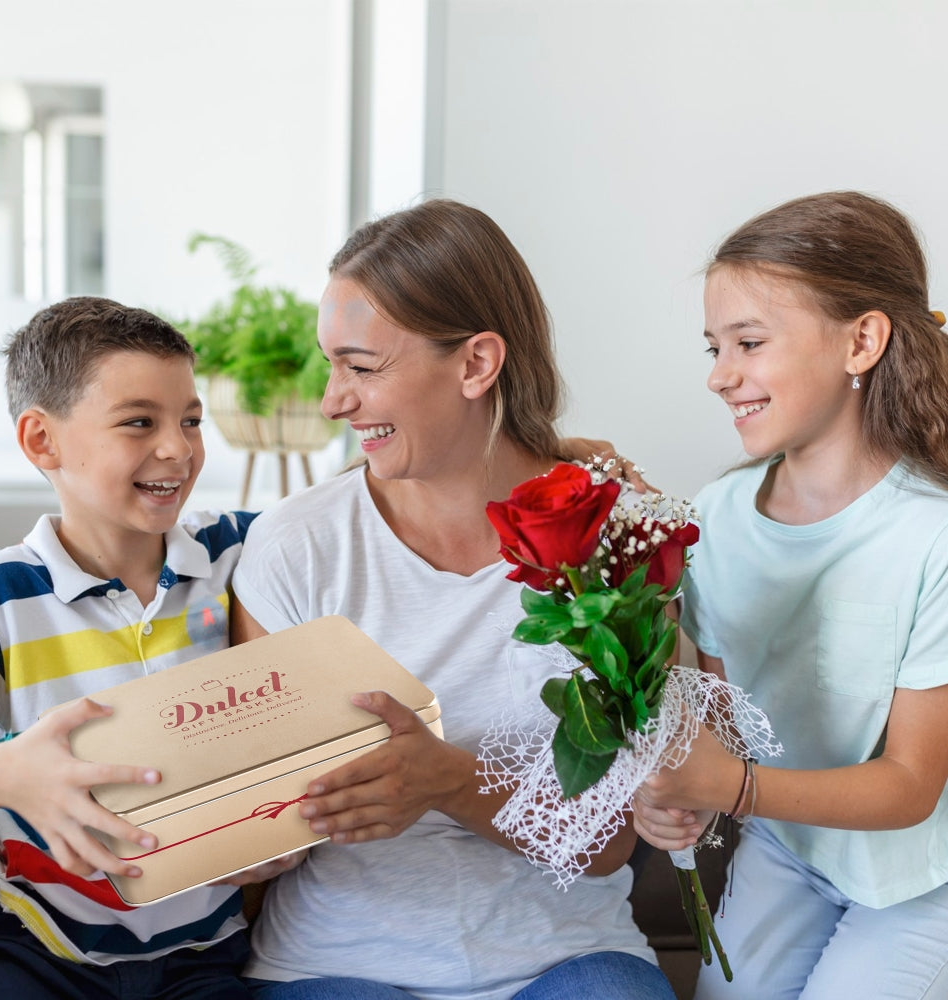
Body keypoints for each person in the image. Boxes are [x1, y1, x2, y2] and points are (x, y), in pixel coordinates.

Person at [230, 199, 676, 1000]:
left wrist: (448, 781)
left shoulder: (617, 539)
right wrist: (245, 839)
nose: (333, 401)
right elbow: (254, 810)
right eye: (331, 365)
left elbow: (609, 844)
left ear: (476, 364)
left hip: (568, 956)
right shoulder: (297, 549)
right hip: (336, 964)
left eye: (362, 368)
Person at [632, 192, 948, 999]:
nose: (718, 375)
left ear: (863, 340)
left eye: (748, 342)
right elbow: (716, 718)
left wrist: (728, 788)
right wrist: (674, 802)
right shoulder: (717, 517)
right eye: (712, 346)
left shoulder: (933, 535)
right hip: (790, 847)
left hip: (923, 878)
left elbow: (912, 786)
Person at [0, 297, 270, 998]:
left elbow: (367, 501)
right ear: (42, 441)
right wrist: (6, 776)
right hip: (37, 948)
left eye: (191, 420)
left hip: (204, 955)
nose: (178, 449)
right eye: (139, 423)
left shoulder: (240, 551)